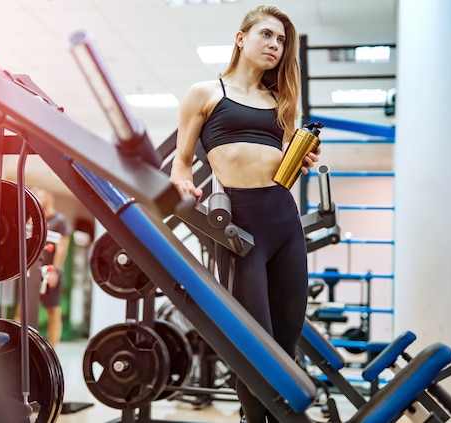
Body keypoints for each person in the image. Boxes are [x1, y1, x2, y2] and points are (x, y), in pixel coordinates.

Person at [170, 6, 320, 423]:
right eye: (267, 35)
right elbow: (181, 162)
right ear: (241, 39)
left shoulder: (281, 103)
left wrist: (300, 161)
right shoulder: (206, 92)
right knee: (253, 344)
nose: (275, 45)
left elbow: (284, 170)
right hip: (240, 228)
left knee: (286, 341)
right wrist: (182, 183)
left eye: (282, 41)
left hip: (284, 222)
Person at [17, 187, 71, 350]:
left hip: (50, 270)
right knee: (22, 309)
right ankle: (19, 345)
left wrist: (54, 269)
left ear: (48, 199)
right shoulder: (31, 220)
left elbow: (62, 247)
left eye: (39, 196)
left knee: (53, 312)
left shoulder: (59, 220)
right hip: (30, 269)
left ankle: (52, 350)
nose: (36, 200)